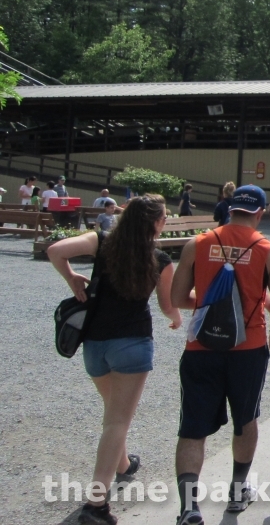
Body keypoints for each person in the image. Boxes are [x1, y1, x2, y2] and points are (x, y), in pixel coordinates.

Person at [47, 195, 181, 525]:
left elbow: (55, 251)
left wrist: (72, 277)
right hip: (133, 344)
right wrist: (176, 316)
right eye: (164, 217)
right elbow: (167, 304)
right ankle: (96, 505)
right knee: (117, 421)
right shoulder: (160, 259)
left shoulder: (102, 241)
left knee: (113, 414)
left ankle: (123, 465)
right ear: (155, 223)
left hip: (94, 344)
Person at [170, 185, 270, 525]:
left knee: (192, 428)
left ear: (229, 207)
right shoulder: (269, 251)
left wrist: (212, 299)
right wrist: (254, 302)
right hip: (248, 349)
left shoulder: (198, 243)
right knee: (246, 419)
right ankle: (237, 495)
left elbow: (177, 298)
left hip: (201, 348)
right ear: (260, 212)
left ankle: (189, 508)